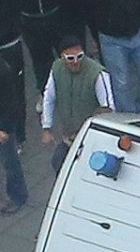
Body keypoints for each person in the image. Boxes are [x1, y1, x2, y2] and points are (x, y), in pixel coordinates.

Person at [39, 36, 113, 173]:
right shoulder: (56, 69)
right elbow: (49, 98)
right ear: (62, 57)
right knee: (58, 163)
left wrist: (90, 131)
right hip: (69, 137)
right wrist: (47, 127)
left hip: (92, 137)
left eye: (79, 56)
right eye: (70, 58)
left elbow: (108, 108)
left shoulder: (97, 73)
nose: (76, 62)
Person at [0, 55, 25, 215]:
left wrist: (5, 129)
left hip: (3, 126)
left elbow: (11, 103)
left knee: (10, 162)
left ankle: (18, 196)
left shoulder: (3, 71)